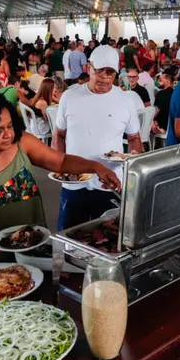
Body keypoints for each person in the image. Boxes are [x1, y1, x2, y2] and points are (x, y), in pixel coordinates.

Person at [0, 91, 119, 268]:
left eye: (9, 126)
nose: (8, 134)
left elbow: (60, 161)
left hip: (30, 247)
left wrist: (95, 167)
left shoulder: (22, 143)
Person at [54, 45, 142, 230]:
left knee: (107, 240)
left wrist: (134, 158)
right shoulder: (69, 96)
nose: (104, 77)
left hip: (110, 183)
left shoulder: (126, 100)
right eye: (99, 70)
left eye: (110, 72)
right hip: (74, 182)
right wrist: (59, 165)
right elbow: (59, 134)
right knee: (69, 237)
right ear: (88, 68)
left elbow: (134, 137)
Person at [152, 69, 175, 133]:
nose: (158, 81)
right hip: (174, 125)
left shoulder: (161, 94)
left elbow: (155, 113)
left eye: (161, 80)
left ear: (168, 81)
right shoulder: (177, 93)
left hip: (162, 126)